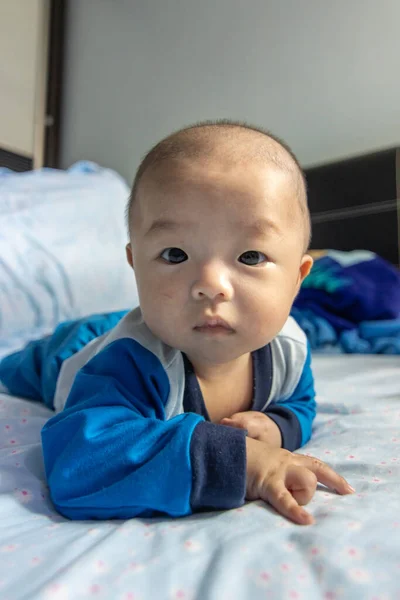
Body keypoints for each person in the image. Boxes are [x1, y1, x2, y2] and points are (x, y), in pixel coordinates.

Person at [0, 120, 354, 524]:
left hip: (143, 322)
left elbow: (300, 402)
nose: (210, 286)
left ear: (297, 278)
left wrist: (278, 427)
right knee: (19, 364)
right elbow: (79, 466)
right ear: (136, 266)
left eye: (251, 257)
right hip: (73, 347)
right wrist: (242, 462)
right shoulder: (129, 364)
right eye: (175, 255)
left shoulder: (289, 350)